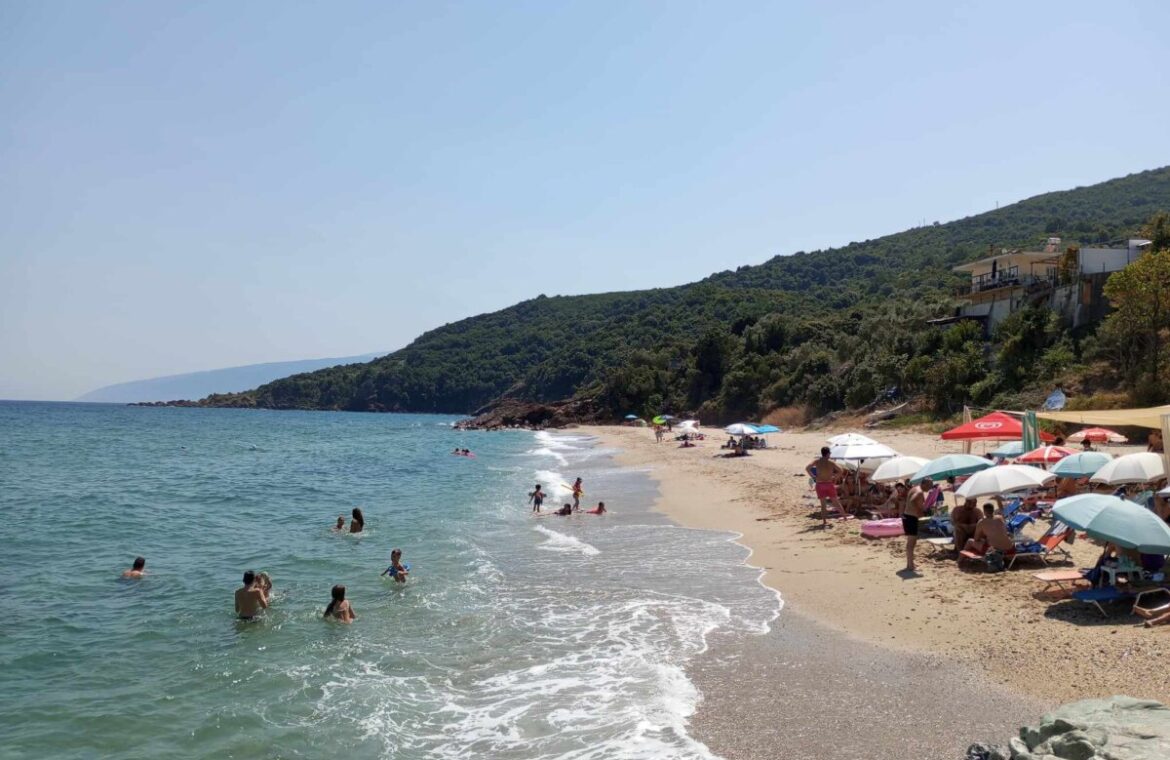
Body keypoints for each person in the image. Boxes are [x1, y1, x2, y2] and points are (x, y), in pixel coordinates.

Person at [806, 447, 845, 527]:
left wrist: (814, 477)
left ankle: (824, 521)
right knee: (836, 502)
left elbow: (807, 468)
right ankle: (845, 517)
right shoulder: (831, 462)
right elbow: (841, 470)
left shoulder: (817, 461)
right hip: (829, 483)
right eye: (830, 453)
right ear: (828, 453)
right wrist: (835, 477)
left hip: (820, 484)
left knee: (823, 505)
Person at [901, 477, 931, 572]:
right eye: (929, 485)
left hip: (907, 516)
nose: (930, 487)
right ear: (924, 484)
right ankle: (910, 566)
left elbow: (909, 501)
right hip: (911, 518)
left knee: (910, 543)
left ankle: (910, 563)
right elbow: (912, 501)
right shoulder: (919, 491)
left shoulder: (914, 488)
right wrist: (919, 511)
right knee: (911, 543)